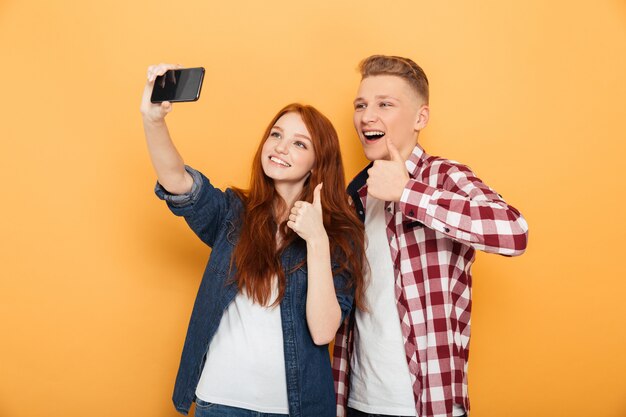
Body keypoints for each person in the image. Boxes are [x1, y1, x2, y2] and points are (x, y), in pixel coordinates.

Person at [140, 63, 365, 417]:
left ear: (317, 162)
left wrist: (317, 241)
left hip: (297, 408)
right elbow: (177, 182)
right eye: (276, 135)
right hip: (220, 403)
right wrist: (153, 120)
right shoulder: (234, 213)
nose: (280, 147)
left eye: (299, 143)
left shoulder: (340, 235)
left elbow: (323, 332)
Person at [332, 55, 529, 417]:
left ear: (420, 118)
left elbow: (514, 231)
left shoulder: (441, 176)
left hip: (427, 404)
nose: (366, 116)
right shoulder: (355, 194)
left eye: (384, 104)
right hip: (356, 400)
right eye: (360, 105)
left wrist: (408, 193)